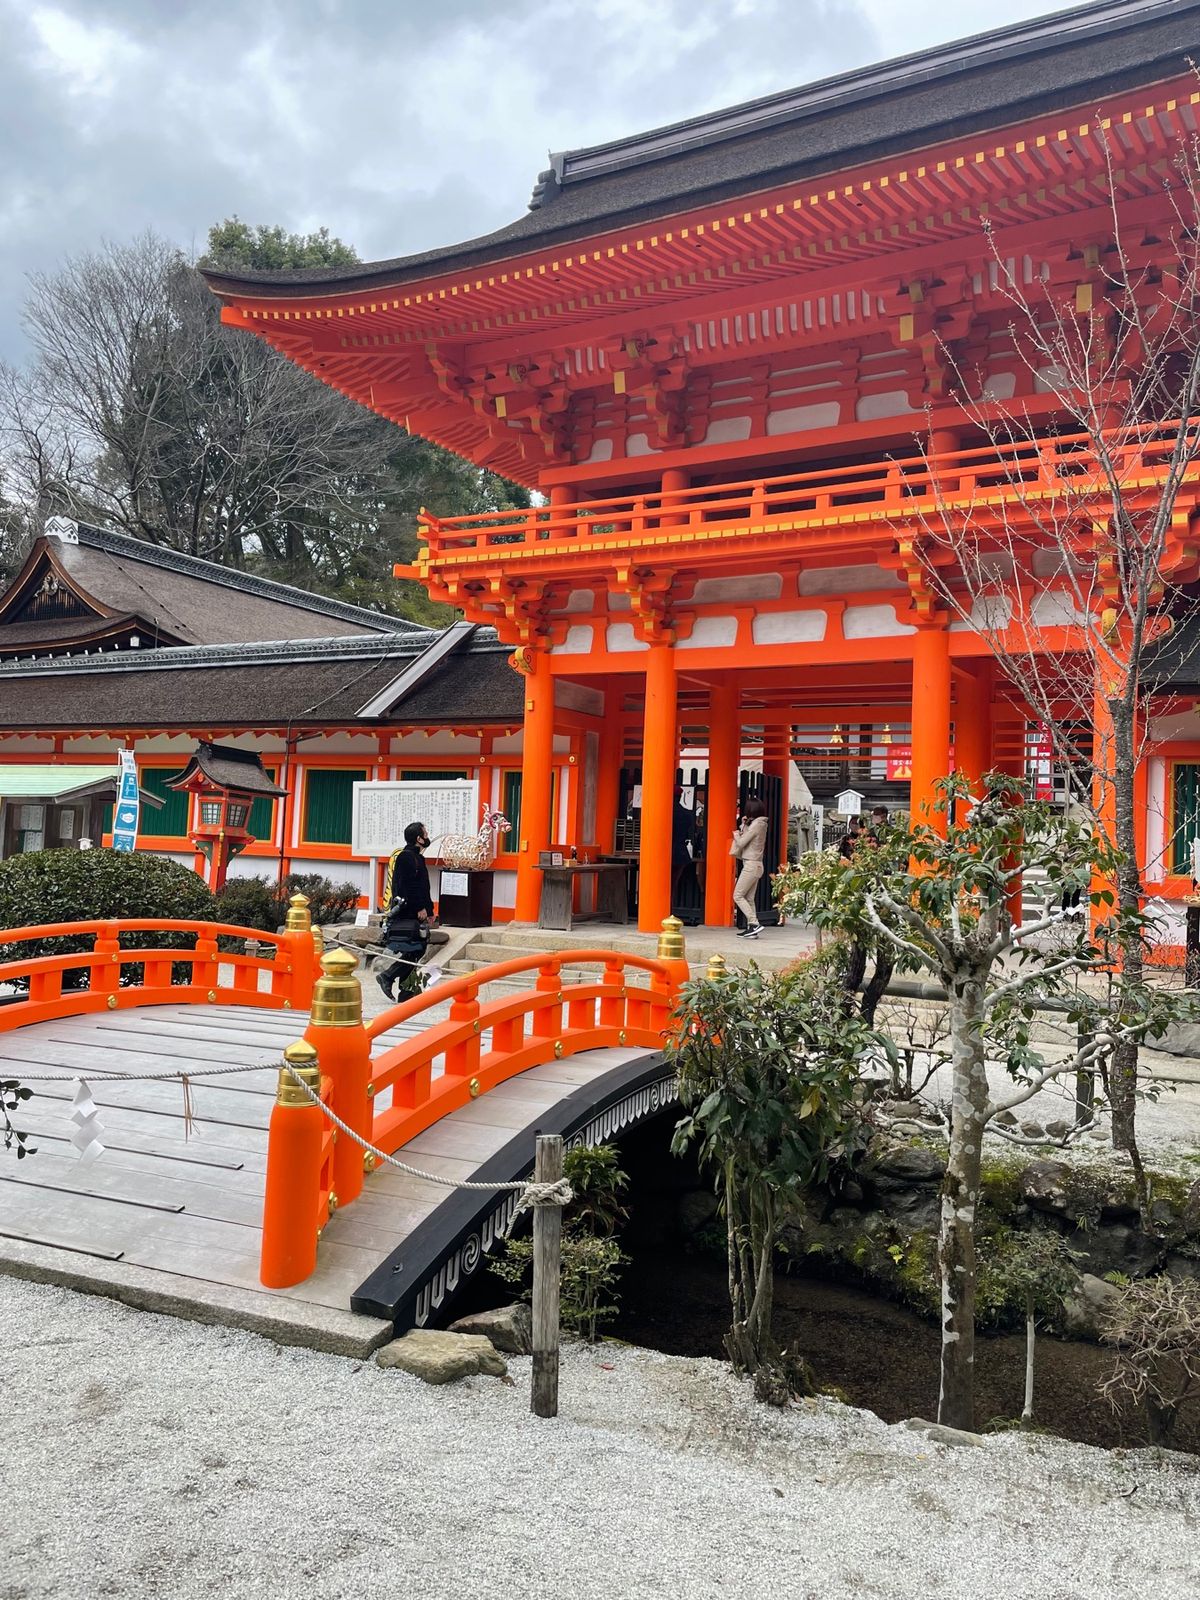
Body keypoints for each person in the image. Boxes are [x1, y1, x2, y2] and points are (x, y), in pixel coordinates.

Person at [376, 820, 435, 1001]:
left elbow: (423, 887)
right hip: (409, 910)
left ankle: (406, 992)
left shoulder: (418, 858)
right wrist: (419, 908)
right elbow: (406, 886)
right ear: (418, 838)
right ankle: (387, 976)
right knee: (417, 948)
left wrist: (430, 910)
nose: (427, 837)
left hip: (418, 910)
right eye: (425, 834)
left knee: (415, 947)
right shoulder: (405, 857)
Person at [731, 795, 769, 937]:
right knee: (749, 898)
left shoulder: (756, 825)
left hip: (751, 865)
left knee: (737, 895)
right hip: (756, 864)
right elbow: (747, 837)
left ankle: (754, 923)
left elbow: (741, 842)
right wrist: (744, 825)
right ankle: (752, 929)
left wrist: (736, 834)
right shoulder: (760, 824)